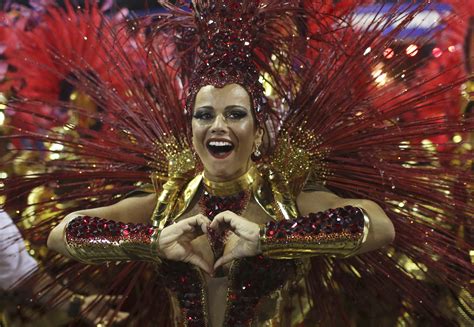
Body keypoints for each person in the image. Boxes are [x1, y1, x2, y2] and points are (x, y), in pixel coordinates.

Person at [3, 0, 472, 326]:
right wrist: (149, 241)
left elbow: (379, 224)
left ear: (257, 129)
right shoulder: (167, 200)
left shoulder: (287, 197)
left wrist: (271, 238)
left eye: (235, 114)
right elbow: (60, 234)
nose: (218, 126)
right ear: (190, 129)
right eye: (204, 115)